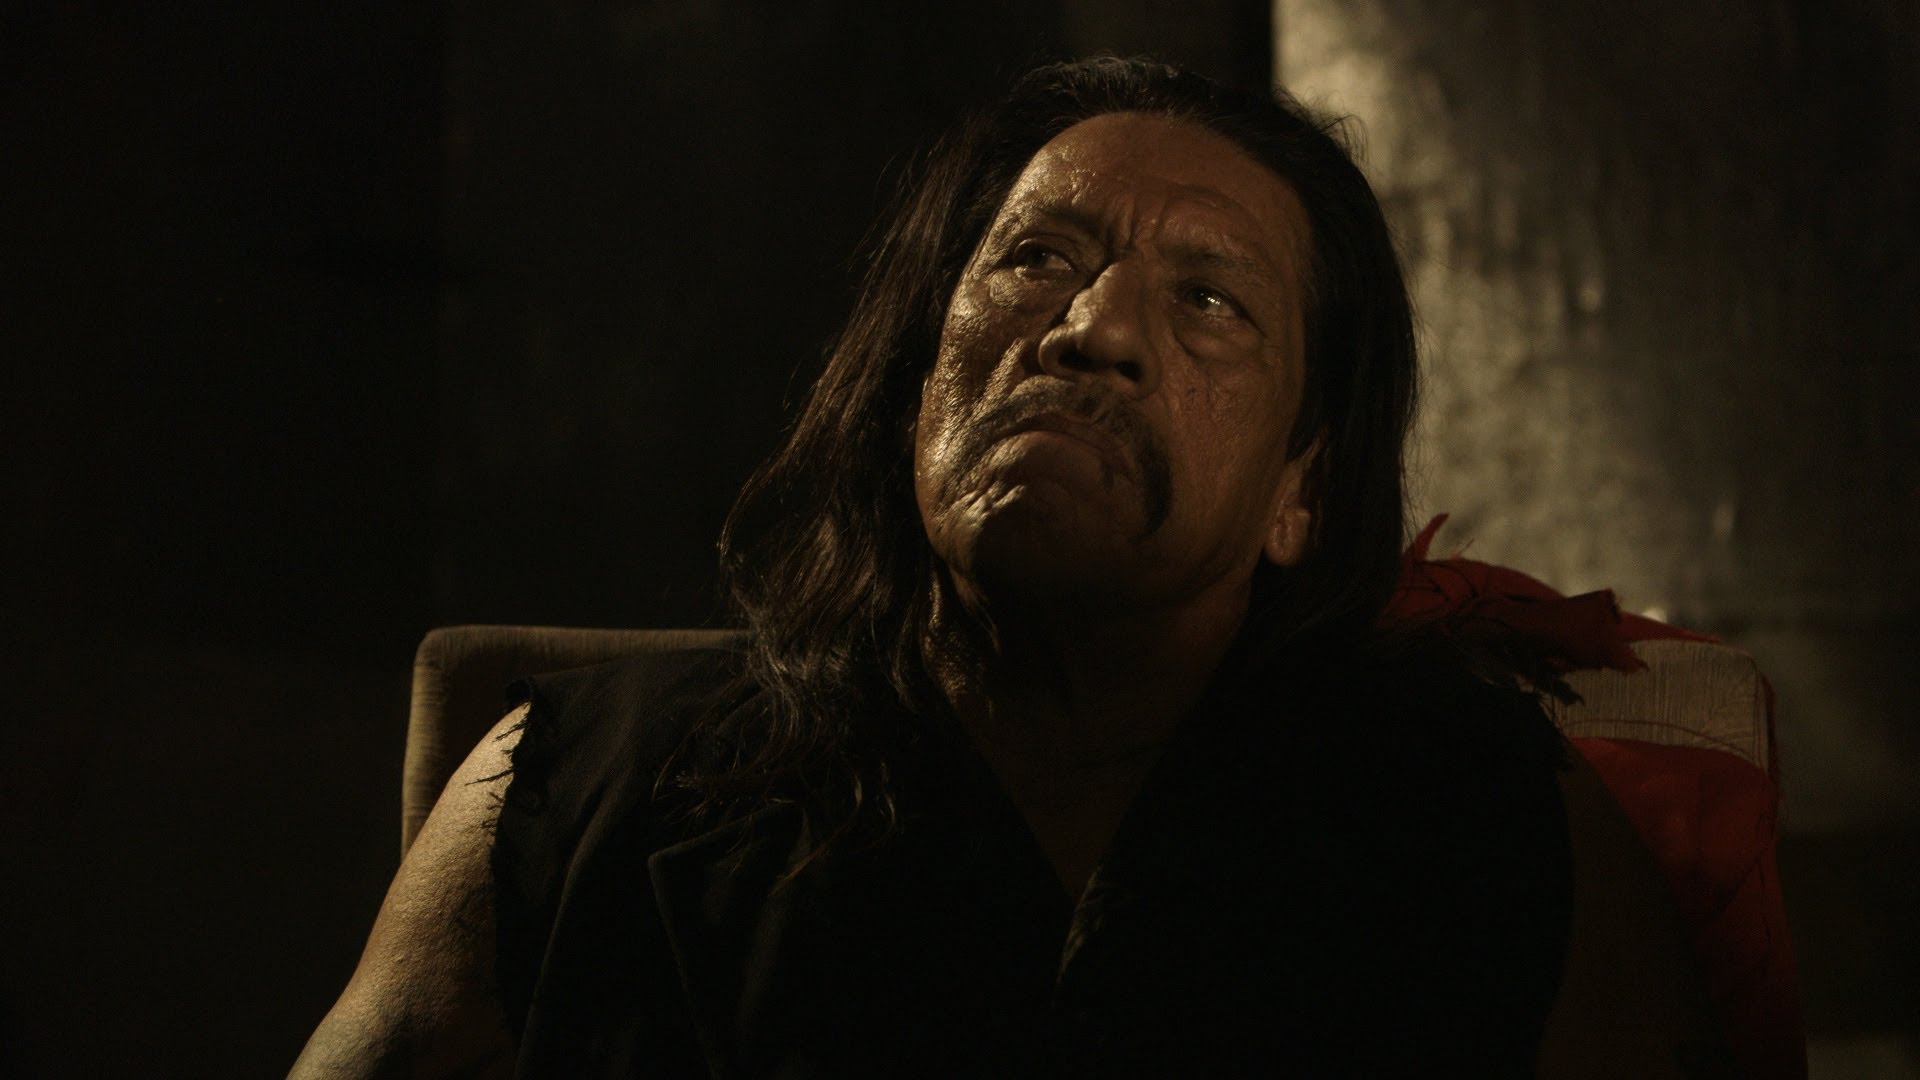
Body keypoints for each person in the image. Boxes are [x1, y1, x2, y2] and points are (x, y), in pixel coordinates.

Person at [294, 57, 1729, 1078]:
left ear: (1303, 486)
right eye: (1035, 259)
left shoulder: (1480, 831)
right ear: (917, 383)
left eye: (1209, 298)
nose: (1092, 330)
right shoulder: (576, 791)